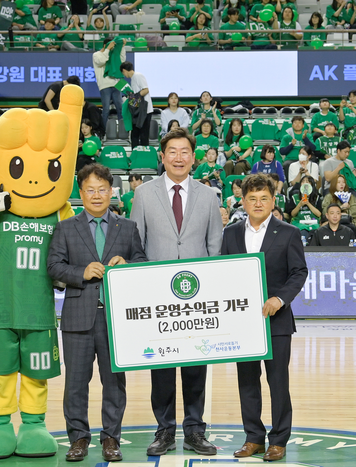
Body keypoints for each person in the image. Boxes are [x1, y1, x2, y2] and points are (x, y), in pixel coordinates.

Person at [129, 127, 223, 457]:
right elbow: (136, 245)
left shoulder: (209, 196)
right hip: (158, 298)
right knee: (162, 368)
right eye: (173, 152)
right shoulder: (144, 194)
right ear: (162, 156)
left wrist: (211, 291)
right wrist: (145, 286)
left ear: (193, 157)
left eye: (185, 152)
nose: (179, 157)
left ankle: (195, 430)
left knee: (196, 365)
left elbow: (215, 246)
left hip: (197, 298)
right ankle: (165, 430)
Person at [47, 163, 147, 463]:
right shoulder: (66, 227)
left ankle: (111, 438)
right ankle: (78, 438)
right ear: (81, 193)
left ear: (111, 192)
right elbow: (54, 267)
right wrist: (82, 272)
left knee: (114, 383)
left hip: (116, 320)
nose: (96, 195)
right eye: (90, 190)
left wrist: (127, 265)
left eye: (102, 189)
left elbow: (142, 262)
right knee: (75, 384)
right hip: (78, 317)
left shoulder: (127, 227)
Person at [220, 173, 307, 462]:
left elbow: (299, 272)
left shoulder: (289, 232)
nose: (258, 203)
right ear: (243, 202)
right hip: (242, 322)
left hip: (277, 321)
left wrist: (279, 299)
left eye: (264, 198)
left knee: (278, 382)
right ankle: (253, 438)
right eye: (252, 198)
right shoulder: (230, 233)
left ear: (273, 201)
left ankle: (279, 440)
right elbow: (222, 272)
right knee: (247, 382)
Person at [93, 38, 126, 134]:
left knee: (120, 108)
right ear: (105, 45)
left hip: (116, 84)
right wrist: (108, 49)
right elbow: (101, 61)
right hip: (104, 86)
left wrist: (122, 47)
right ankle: (103, 132)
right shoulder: (96, 54)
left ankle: (123, 132)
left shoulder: (114, 54)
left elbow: (122, 61)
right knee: (106, 109)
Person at [120, 61, 153, 148]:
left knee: (143, 135)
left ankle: (144, 154)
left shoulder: (138, 76)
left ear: (124, 70)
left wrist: (134, 97)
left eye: (123, 73)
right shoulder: (133, 79)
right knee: (134, 134)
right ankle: (135, 153)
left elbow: (146, 90)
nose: (124, 75)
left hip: (145, 110)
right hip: (137, 110)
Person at [287, 174, 322, 241]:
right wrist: (300, 205)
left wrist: (308, 203)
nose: (305, 183)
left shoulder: (316, 198)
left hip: (313, 223)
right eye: (303, 181)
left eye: (308, 182)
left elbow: (319, 214)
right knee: (303, 233)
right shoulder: (294, 197)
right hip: (299, 223)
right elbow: (292, 214)